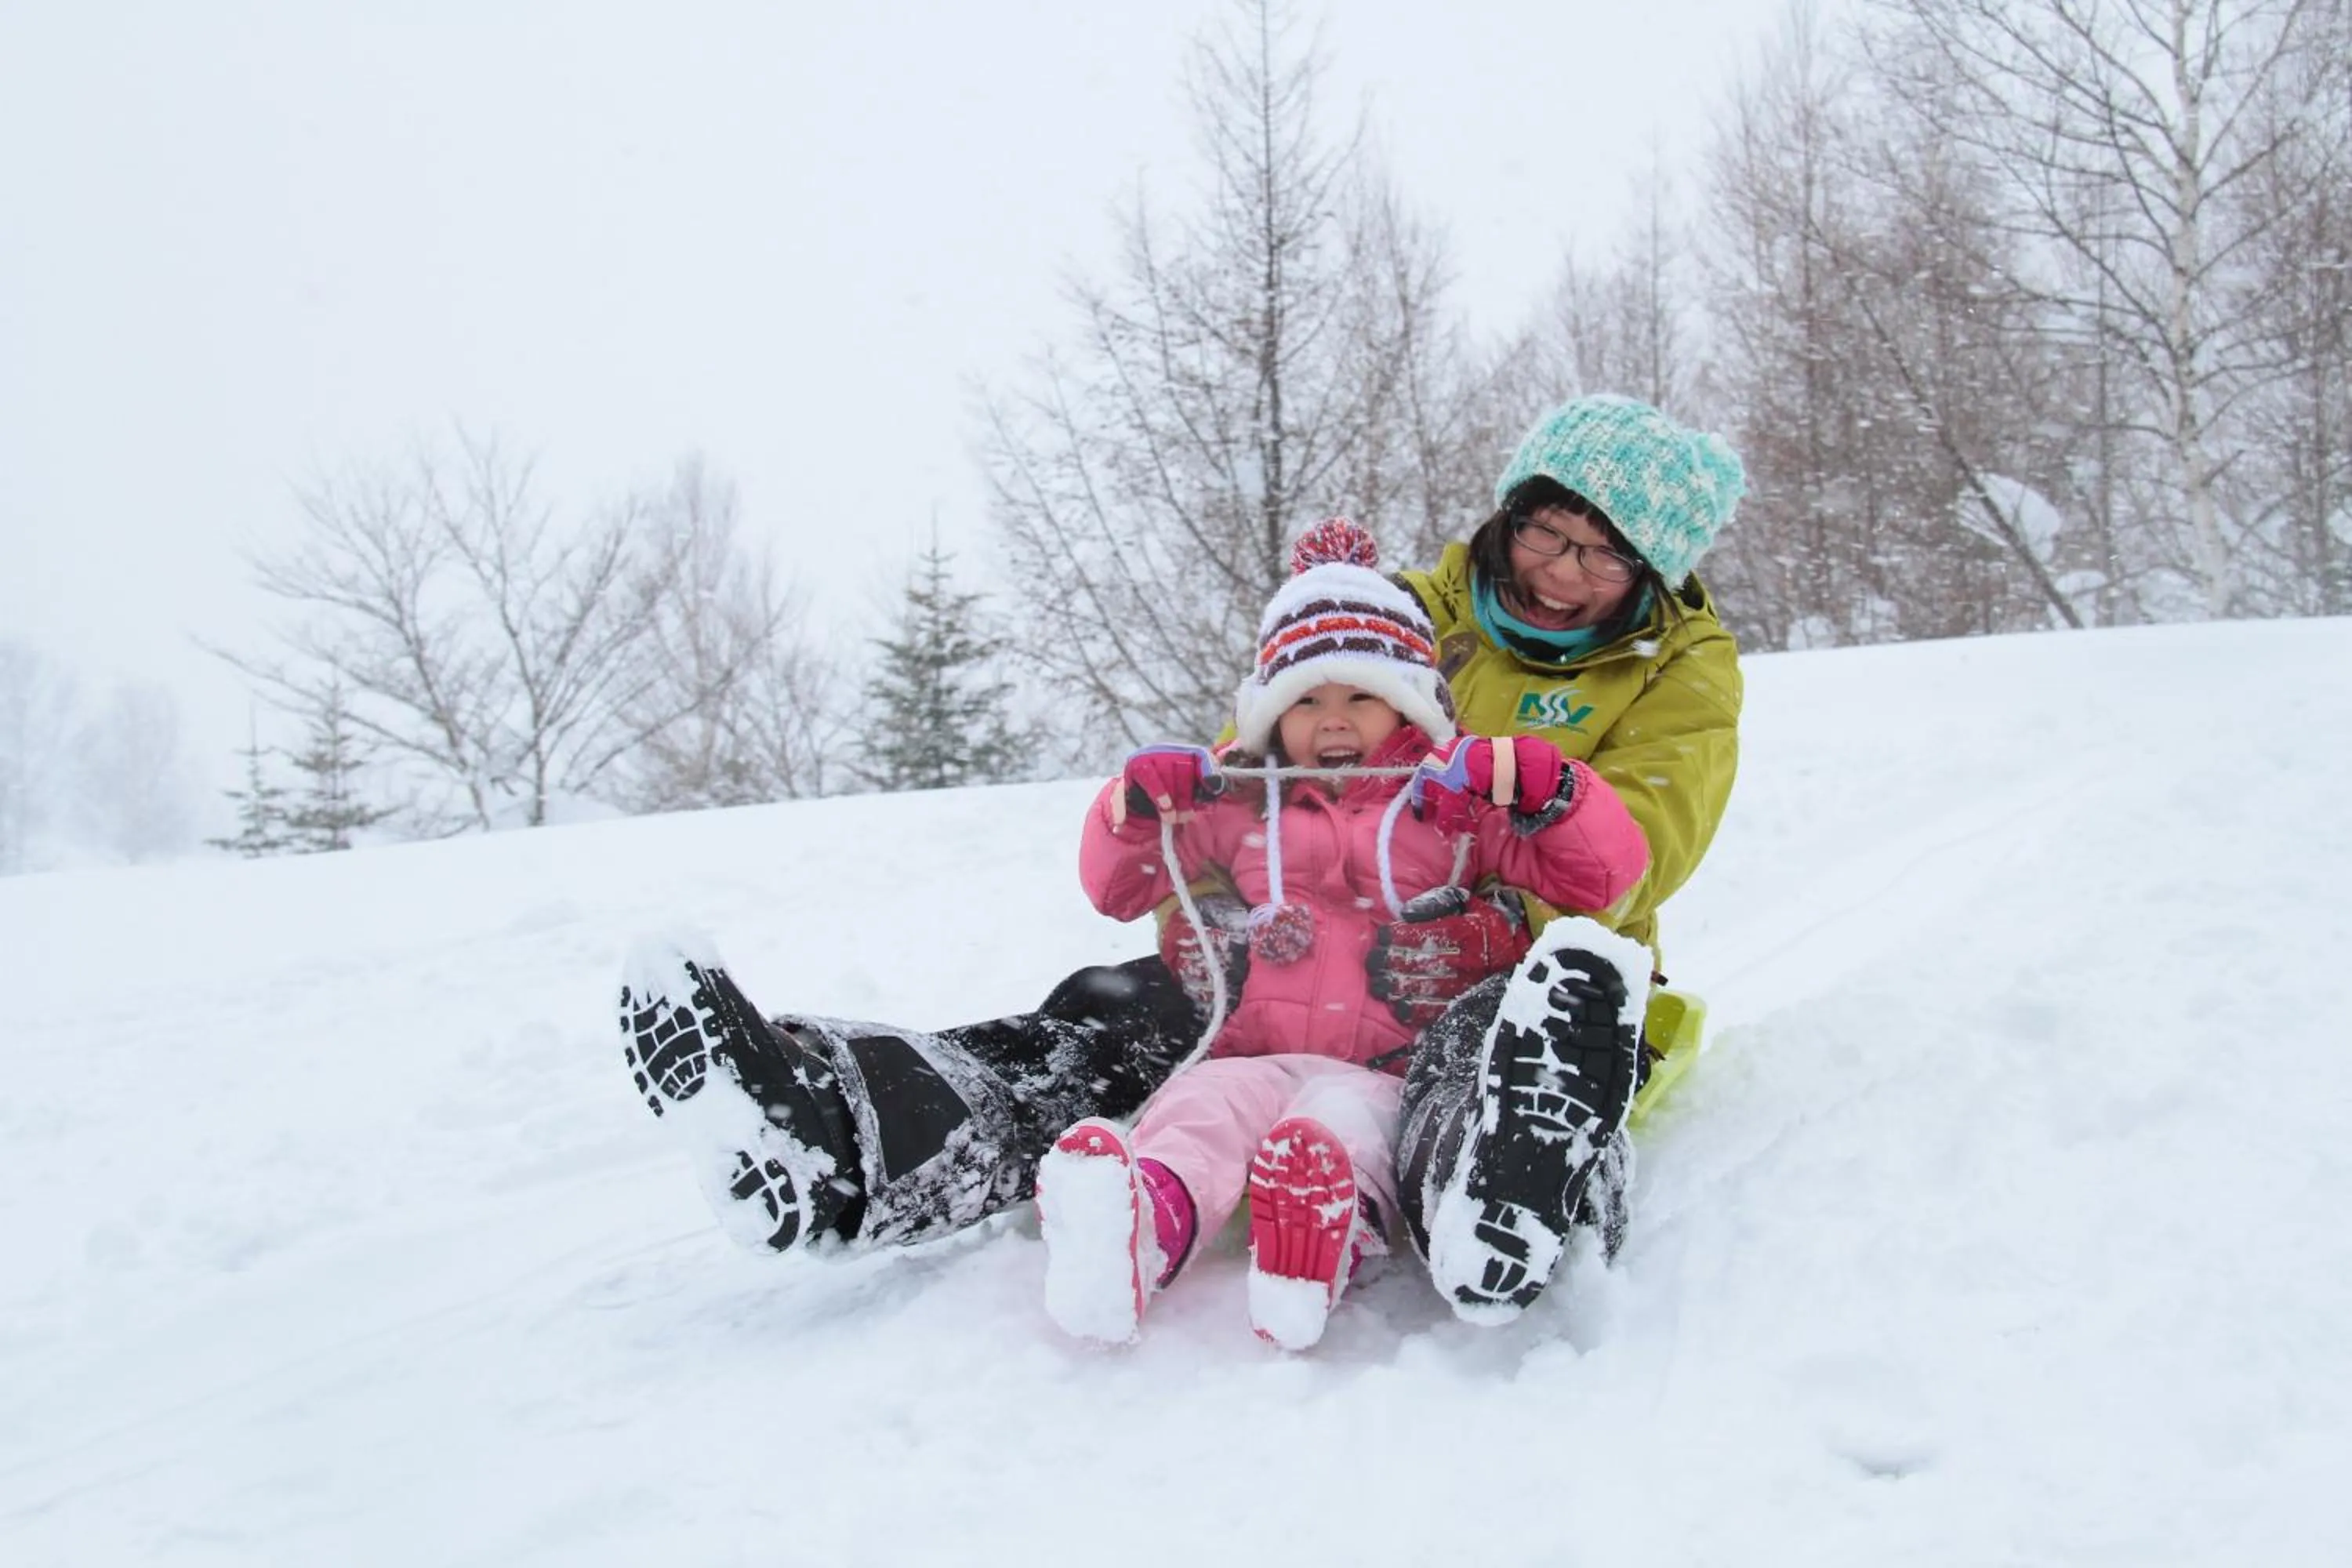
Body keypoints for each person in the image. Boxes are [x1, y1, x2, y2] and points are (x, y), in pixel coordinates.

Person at [618, 392, 1744, 1323]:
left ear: (1651, 575)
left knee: (1467, 1060)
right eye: (1550, 532)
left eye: (1604, 557)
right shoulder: (1405, 610)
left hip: (1511, 962)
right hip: (1299, 962)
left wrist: (1503, 890)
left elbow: (1640, 852)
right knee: (1110, 1024)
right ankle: (833, 1130)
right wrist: (1209, 906)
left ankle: (1501, 1183)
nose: (1563, 569)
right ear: (1511, 514)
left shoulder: (1679, 669)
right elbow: (1250, 777)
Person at [1034, 519, 1650, 1348]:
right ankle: (1143, 1222)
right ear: (1268, 715)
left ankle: (1321, 1242)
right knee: (1196, 1110)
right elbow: (1117, 886)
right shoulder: (1242, 802)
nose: (1333, 722)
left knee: (1338, 1129)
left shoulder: (1453, 808)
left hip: (1387, 1065)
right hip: (1252, 1053)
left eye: (1361, 695)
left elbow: (1603, 878)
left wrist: (1552, 792)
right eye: (1307, 701)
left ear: (1407, 702)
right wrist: (1132, 808)